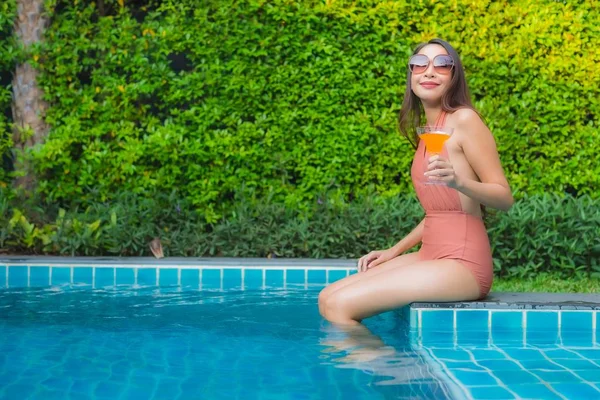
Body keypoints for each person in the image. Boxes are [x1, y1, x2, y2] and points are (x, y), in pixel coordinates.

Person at [318, 38, 514, 326]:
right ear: (411, 77)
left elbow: (504, 197)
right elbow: (438, 213)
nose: (429, 71)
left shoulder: (464, 120)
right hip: (430, 253)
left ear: (454, 77)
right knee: (327, 297)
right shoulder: (429, 132)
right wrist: (394, 250)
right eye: (420, 64)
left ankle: (383, 371)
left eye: (442, 65)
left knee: (339, 306)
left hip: (463, 263)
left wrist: (459, 182)